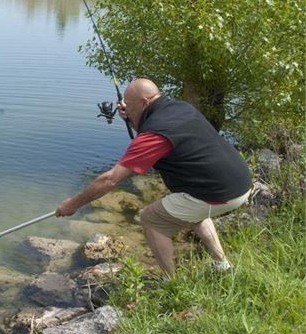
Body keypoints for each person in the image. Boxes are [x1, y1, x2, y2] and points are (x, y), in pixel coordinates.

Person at [55, 78, 251, 276]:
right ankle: (223, 266)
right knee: (191, 210)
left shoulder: (155, 134)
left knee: (151, 219)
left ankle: (171, 282)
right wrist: (131, 117)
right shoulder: (181, 108)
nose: (126, 112)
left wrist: (73, 204)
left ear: (144, 103)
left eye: (129, 108)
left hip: (220, 194)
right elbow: (155, 127)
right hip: (240, 182)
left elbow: (110, 179)